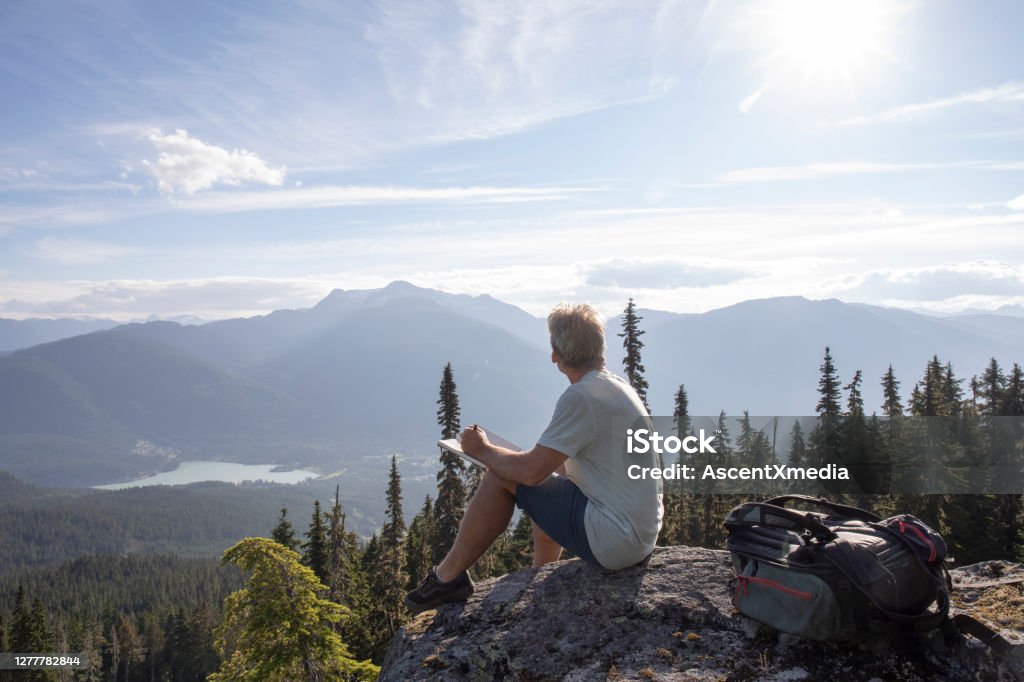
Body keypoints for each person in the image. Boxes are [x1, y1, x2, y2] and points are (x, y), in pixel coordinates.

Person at [405, 303, 663, 614]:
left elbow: (529, 473)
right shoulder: (615, 386)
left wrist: (482, 450)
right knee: (551, 479)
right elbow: (553, 469)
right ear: (600, 349)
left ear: (556, 355)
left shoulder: (581, 397)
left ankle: (446, 578)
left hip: (616, 539)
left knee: (504, 476)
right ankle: (539, 574)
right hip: (636, 533)